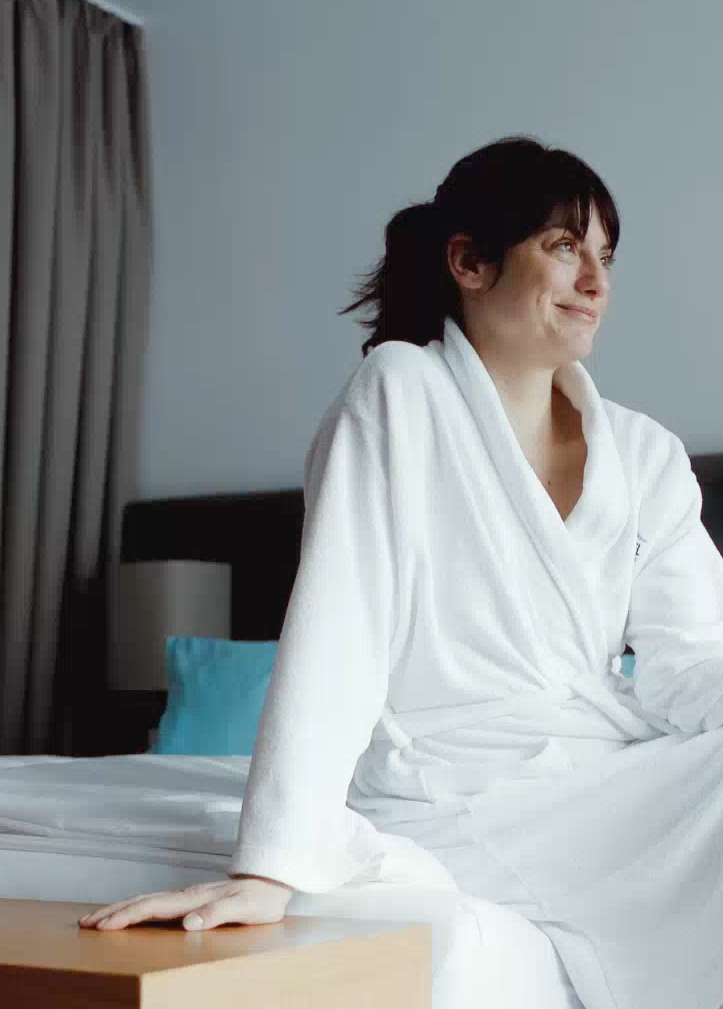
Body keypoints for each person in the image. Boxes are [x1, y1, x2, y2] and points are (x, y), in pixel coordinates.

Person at [79, 136, 723, 1009]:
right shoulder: (401, 391)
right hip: (453, 781)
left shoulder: (645, 455)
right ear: (469, 262)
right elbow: (341, 629)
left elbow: (690, 660)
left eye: (605, 258)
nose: (594, 283)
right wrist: (271, 866)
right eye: (564, 246)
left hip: (599, 773)